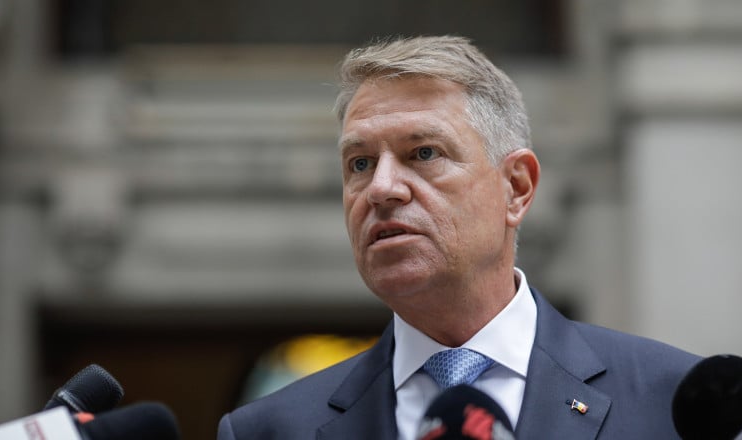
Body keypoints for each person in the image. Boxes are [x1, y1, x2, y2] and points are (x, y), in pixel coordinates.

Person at [217, 35, 699, 439]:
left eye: (424, 153)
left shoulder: (678, 404)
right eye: (360, 163)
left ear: (516, 188)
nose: (381, 188)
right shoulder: (270, 430)